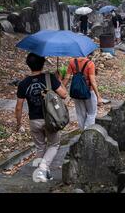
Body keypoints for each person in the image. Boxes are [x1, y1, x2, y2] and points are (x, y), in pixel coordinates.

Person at [15, 53, 68, 183]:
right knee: (54, 144)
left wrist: (19, 123)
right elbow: (64, 95)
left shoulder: (23, 84)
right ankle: (43, 168)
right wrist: (59, 80)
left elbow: (18, 107)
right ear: (43, 63)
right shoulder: (49, 78)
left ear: (28, 65)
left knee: (40, 147)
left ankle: (42, 172)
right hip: (50, 119)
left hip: (34, 120)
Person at [62, 55, 103, 130]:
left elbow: (67, 77)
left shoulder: (72, 62)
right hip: (89, 91)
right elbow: (92, 81)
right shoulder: (90, 64)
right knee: (92, 113)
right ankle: (87, 131)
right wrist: (98, 96)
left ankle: (82, 131)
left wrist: (61, 89)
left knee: (80, 114)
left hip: (76, 91)